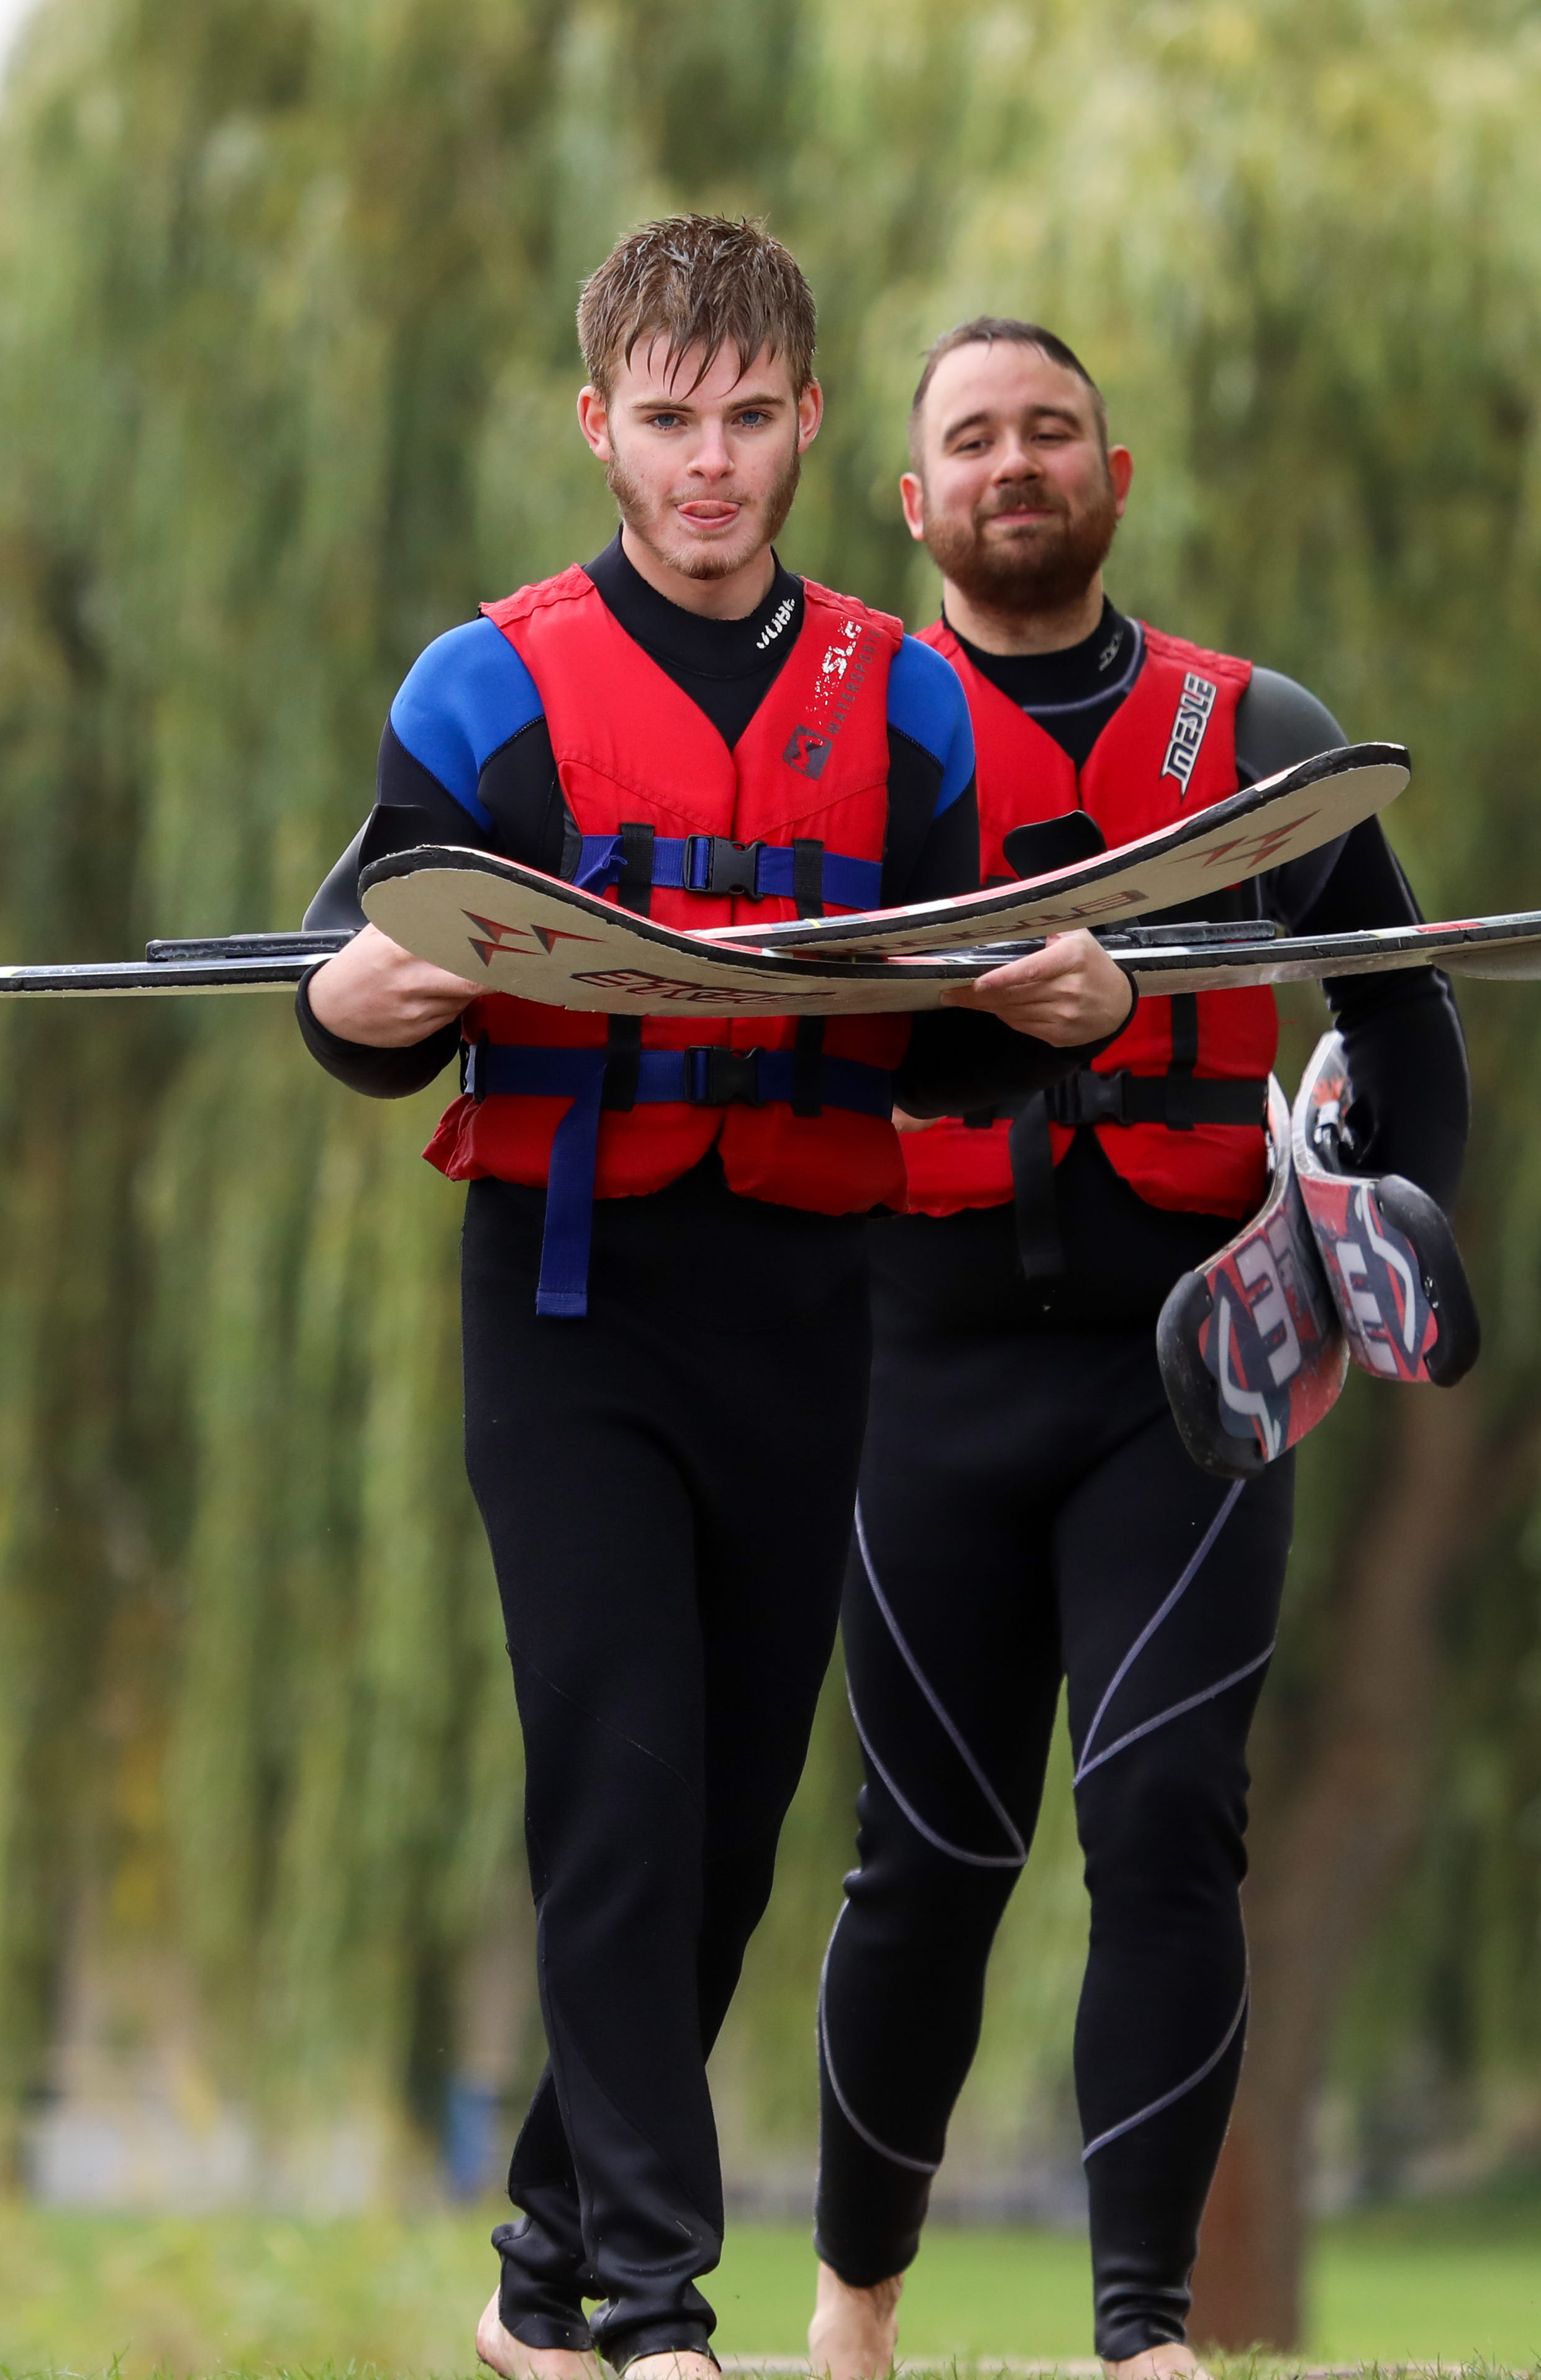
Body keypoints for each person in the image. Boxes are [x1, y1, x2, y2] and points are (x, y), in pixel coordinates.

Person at [296, 234, 1134, 2380]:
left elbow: (942, 1042)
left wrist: (1051, 1017)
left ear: (808, 424)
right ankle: (656, 2309)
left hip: (799, 1302)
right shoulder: (479, 689)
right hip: (569, 1302)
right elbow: (355, 991)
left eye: (750, 418)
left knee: (730, 1831)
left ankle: (536, 2281)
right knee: (619, 1778)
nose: (709, 463)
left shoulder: (910, 701)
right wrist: (357, 1006)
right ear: (599, 425)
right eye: (667, 419)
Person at [807, 320, 1471, 2380]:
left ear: (1115, 476)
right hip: (912, 1371)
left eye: (1050, 433)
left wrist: (1378, 1239)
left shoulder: (1256, 733)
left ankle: (1140, 2333)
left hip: (1184, 1378)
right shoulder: (843, 738)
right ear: (913, 500)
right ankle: (853, 2305)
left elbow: (1401, 1010)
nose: (1013, 463)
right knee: (929, 1860)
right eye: (971, 440)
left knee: (1170, 1816)